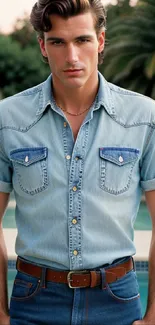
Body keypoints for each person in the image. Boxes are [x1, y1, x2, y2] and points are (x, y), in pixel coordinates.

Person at [0, 0, 155, 324]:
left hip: (117, 300)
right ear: (43, 46)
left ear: (99, 41)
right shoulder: (7, 119)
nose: (71, 57)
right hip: (34, 299)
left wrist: (154, 315)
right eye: (58, 42)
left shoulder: (144, 118)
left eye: (82, 40)